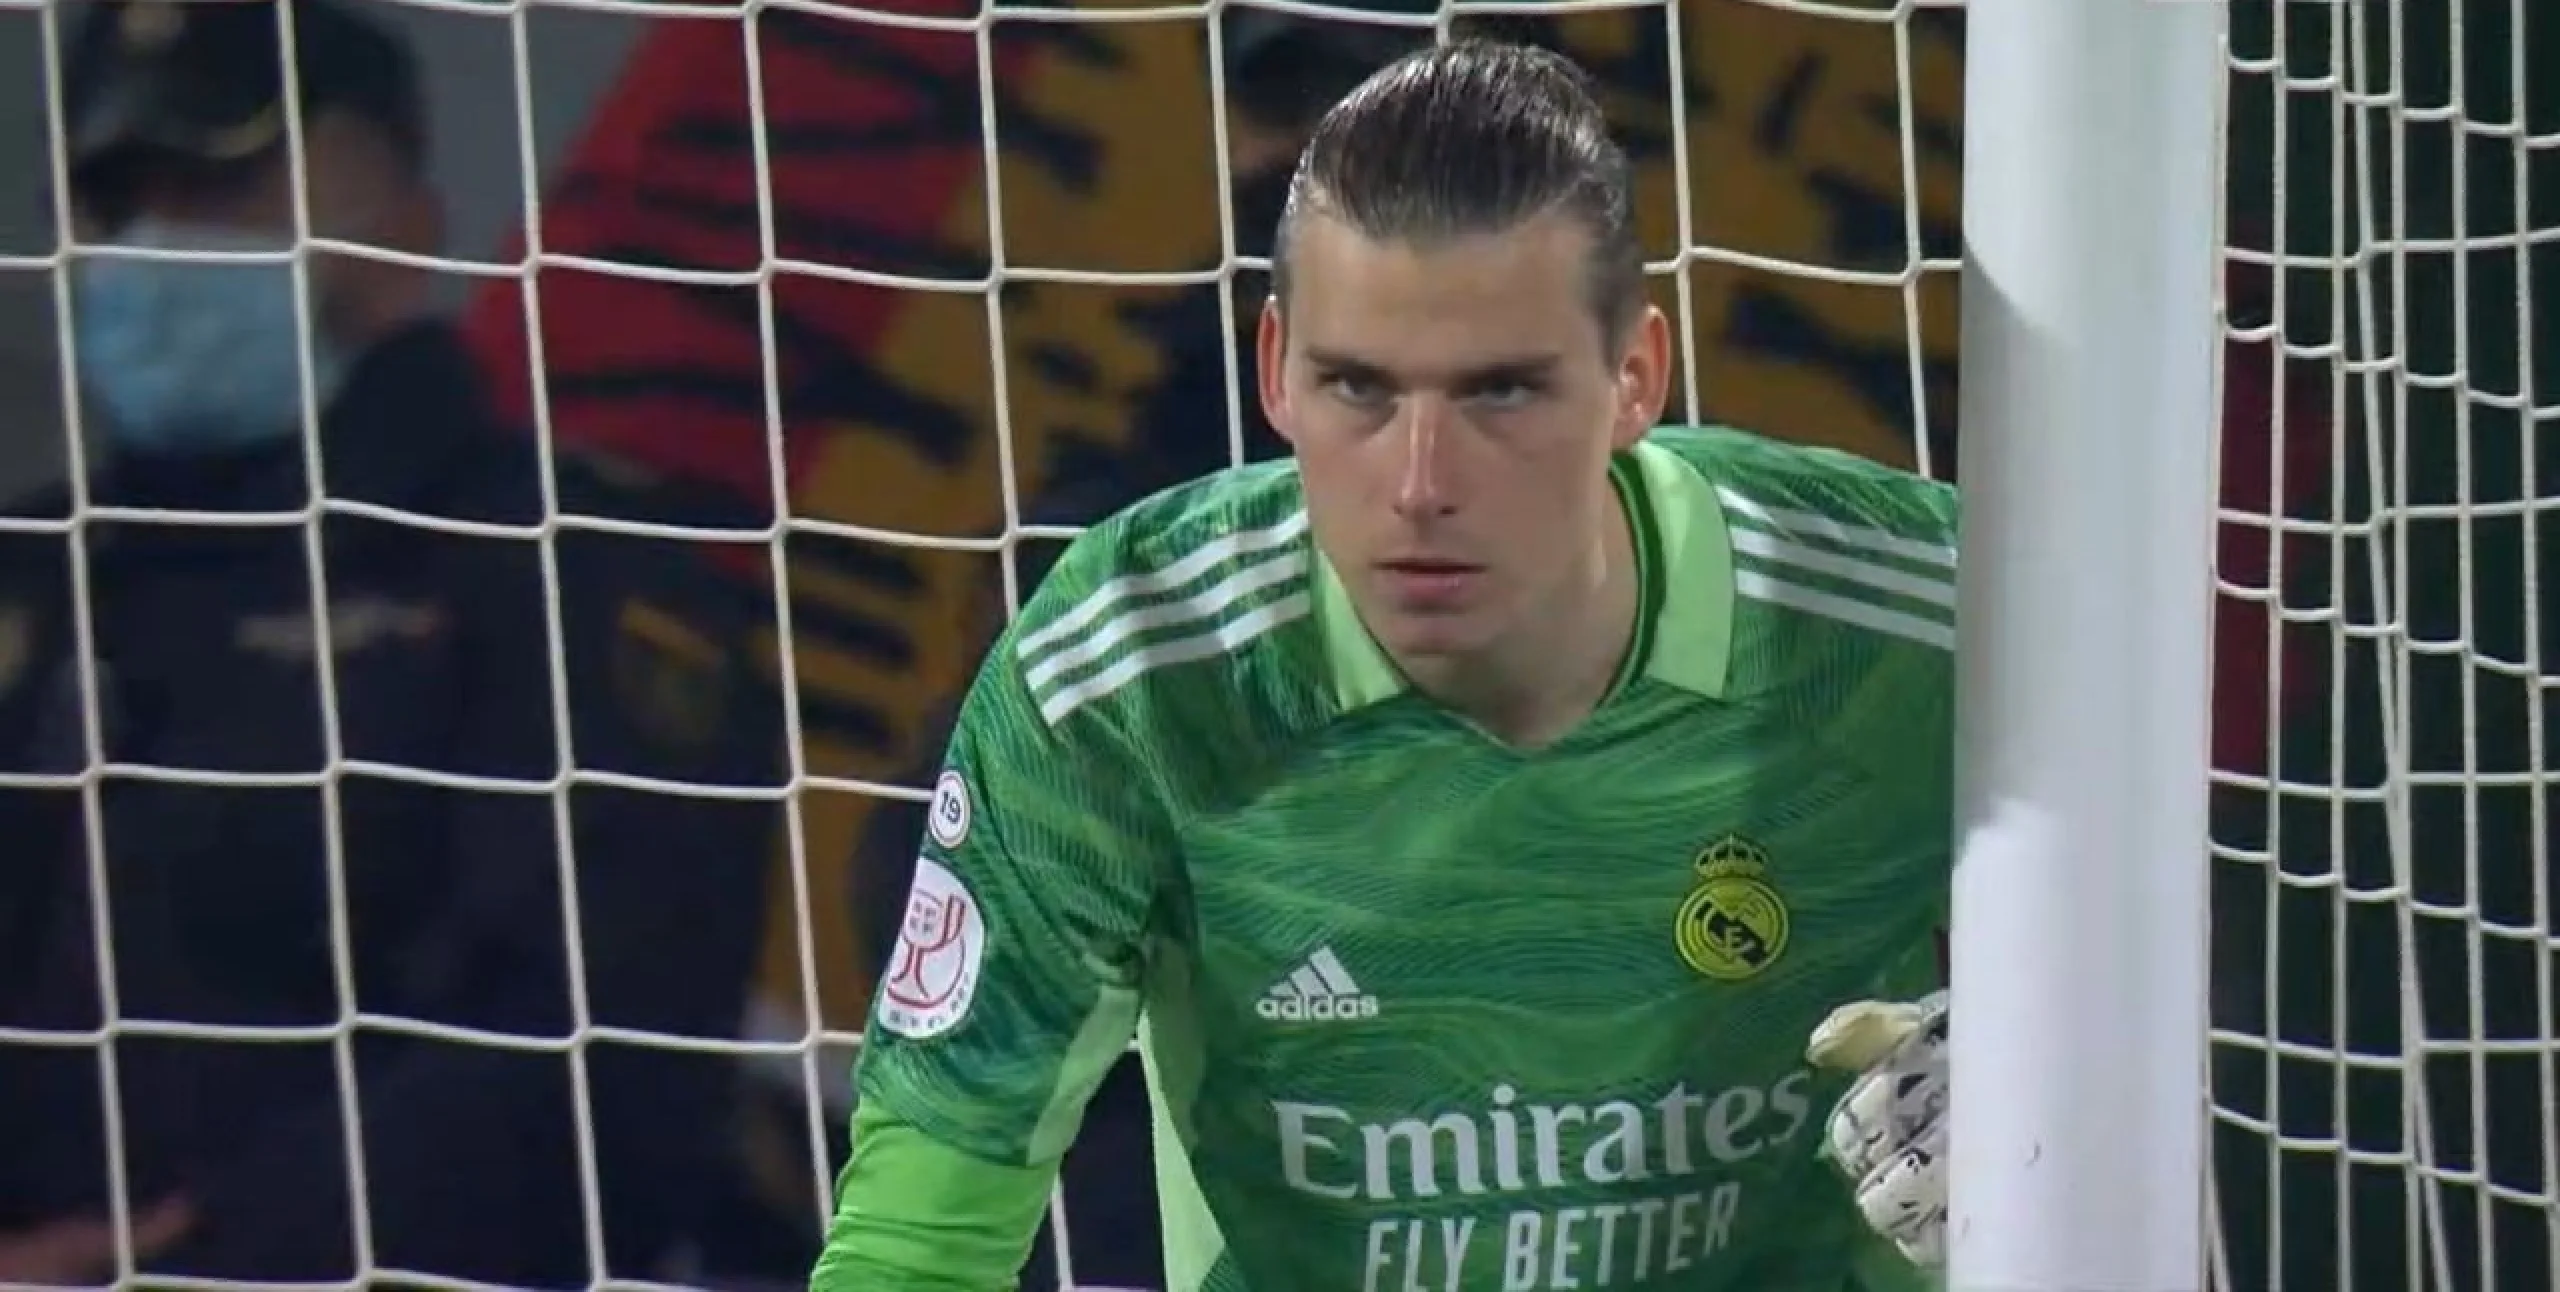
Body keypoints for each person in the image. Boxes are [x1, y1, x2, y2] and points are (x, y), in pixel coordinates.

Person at [813, 39, 1954, 1292]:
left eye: (1501, 393)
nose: (1419, 485)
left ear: (1635, 378)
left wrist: (2061, 1099)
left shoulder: (1908, 618)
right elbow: (917, 1245)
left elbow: (2125, 985)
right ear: (1273, 372)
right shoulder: (1137, 667)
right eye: (1356, 387)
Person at [0, 1, 782, 1285]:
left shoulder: (572, 568)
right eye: (119, 200)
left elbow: (598, 1065)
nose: (155, 242)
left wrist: (156, 1265)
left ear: (410, 227)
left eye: (218, 188)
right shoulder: (37, 569)